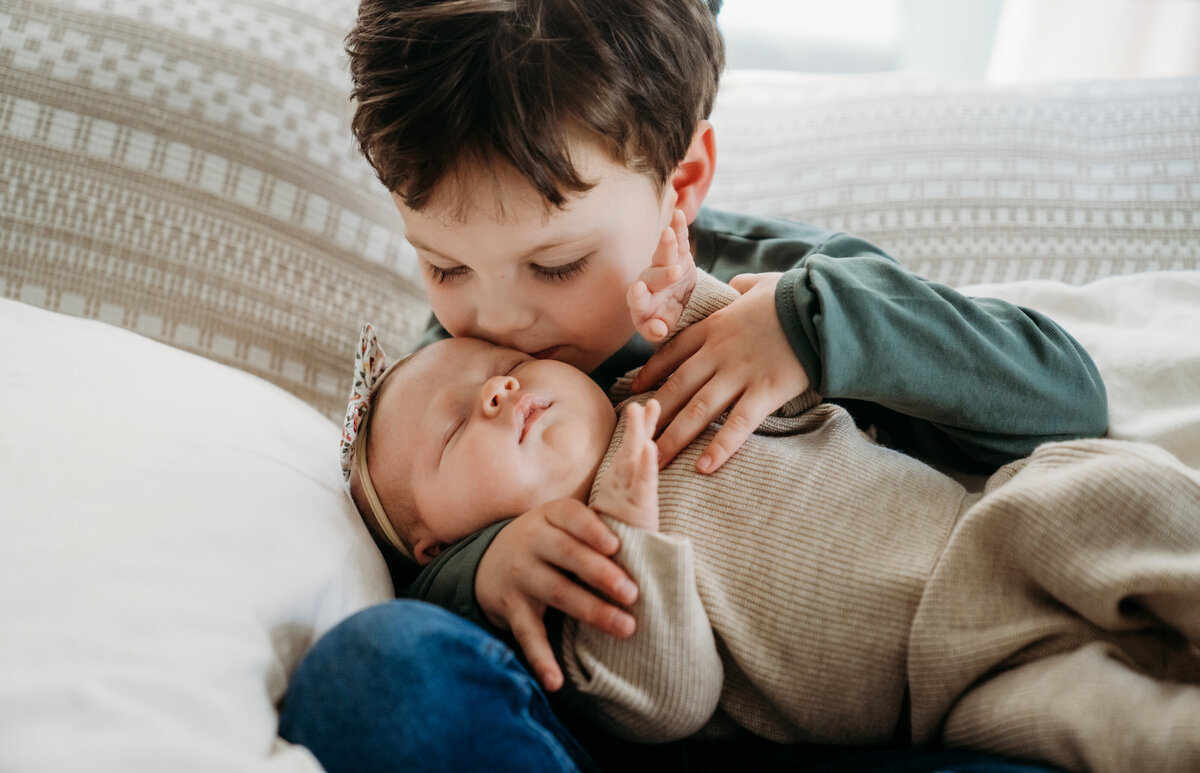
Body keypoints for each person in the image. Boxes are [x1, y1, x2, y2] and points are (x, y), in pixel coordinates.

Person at [279, 0, 1106, 770]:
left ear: (681, 183)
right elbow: (395, 547)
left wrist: (815, 329)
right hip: (615, 739)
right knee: (367, 672)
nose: (501, 322)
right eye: (444, 265)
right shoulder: (448, 383)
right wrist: (481, 571)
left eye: (557, 263)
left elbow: (1064, 400)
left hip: (919, 717)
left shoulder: (780, 287)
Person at [341, 266, 1200, 773]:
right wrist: (637, 541)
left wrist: (681, 291)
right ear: (438, 544)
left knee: (1124, 499)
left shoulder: (667, 386)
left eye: (508, 365)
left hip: (998, 529)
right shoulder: (575, 583)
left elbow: (729, 328)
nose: (499, 390)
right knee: (1126, 733)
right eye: (456, 429)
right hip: (950, 690)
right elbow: (671, 703)